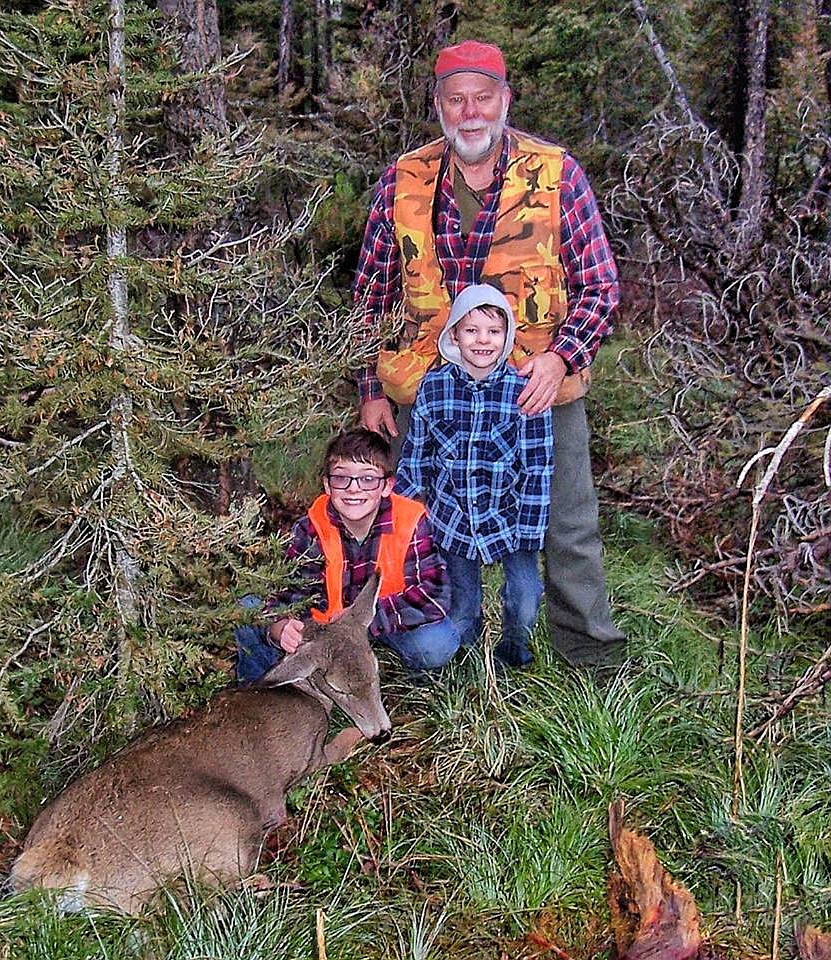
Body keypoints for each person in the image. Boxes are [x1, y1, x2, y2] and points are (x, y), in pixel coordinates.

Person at [353, 38, 625, 666]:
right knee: (421, 517)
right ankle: (433, 647)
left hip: (535, 389)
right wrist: (371, 391)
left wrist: (562, 357)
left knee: (569, 529)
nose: (469, 112)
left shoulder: (556, 174)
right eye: (456, 100)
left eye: (482, 98)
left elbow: (601, 286)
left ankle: (591, 662)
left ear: (504, 99)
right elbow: (370, 296)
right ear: (439, 106)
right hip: (431, 395)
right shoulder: (403, 180)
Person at [396, 284, 552, 668]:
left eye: (494, 332)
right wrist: (402, 520)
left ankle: (514, 653)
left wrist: (529, 532)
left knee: (526, 597)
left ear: (508, 337)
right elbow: (417, 458)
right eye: (472, 331)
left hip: (510, 518)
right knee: (463, 605)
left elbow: (538, 467)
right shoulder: (434, 388)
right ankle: (466, 662)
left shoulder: (525, 391)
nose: (483, 341)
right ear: (454, 336)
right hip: (454, 520)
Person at [235, 428, 460, 683]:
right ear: (327, 485)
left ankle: (393, 676)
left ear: (387, 486)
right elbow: (289, 592)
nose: (354, 489)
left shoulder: (411, 521)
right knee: (247, 607)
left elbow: (433, 594)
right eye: (342, 479)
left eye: (367, 479)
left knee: (438, 643)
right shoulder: (311, 527)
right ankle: (259, 690)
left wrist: (360, 622)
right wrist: (281, 627)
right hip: (326, 629)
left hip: (382, 623)